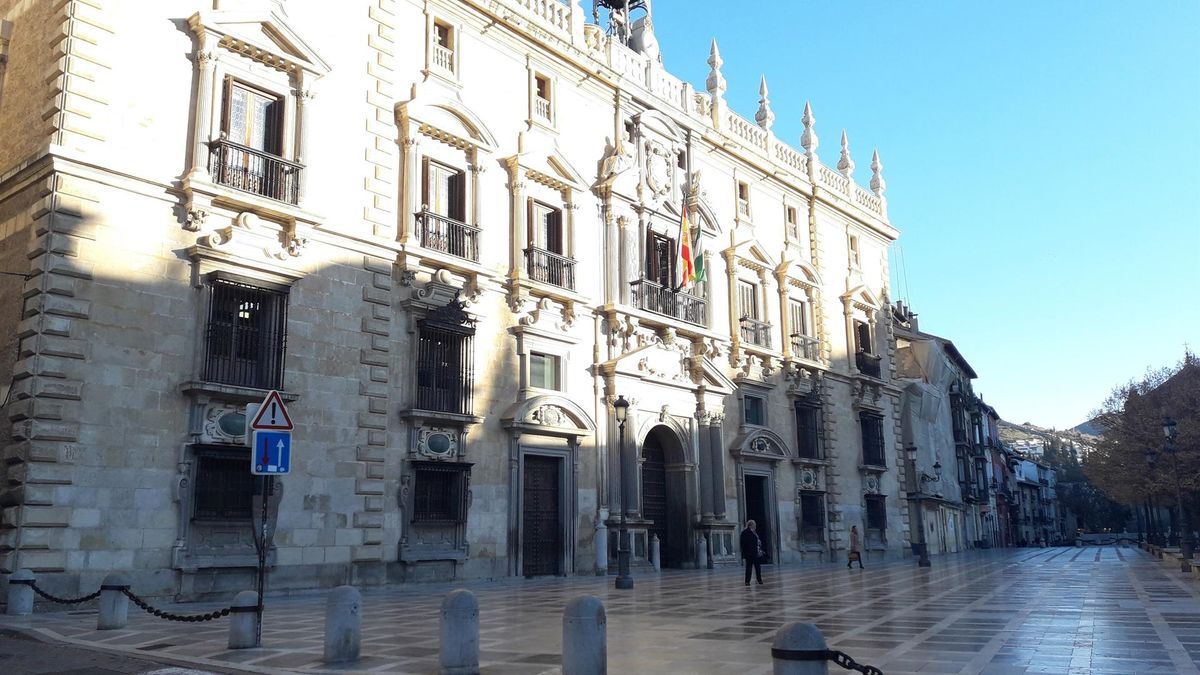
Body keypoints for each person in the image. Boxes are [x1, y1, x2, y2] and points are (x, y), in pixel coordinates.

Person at [740, 519, 764, 586]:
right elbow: (743, 543)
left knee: (756, 567)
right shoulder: (745, 532)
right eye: (754, 525)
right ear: (751, 525)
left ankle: (758, 580)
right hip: (750, 553)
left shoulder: (754, 532)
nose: (755, 526)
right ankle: (749, 581)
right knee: (750, 568)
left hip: (755, 553)